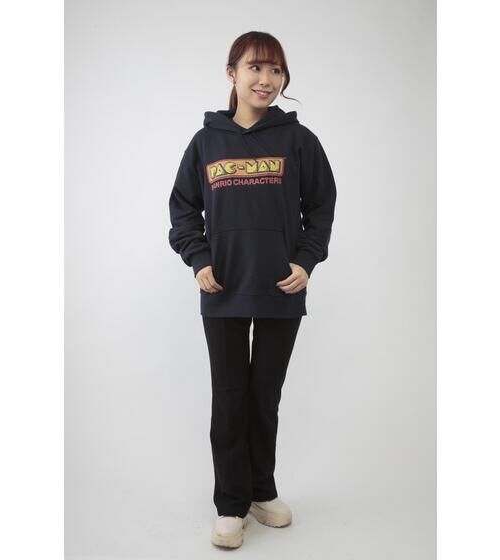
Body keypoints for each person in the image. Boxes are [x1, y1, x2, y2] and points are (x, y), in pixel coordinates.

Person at [168, 30, 337, 549]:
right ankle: (230, 504)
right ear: (232, 73)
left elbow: (322, 207)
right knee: (230, 397)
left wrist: (306, 260)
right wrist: (199, 260)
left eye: (276, 70)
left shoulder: (299, 140)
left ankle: (262, 491)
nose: (266, 79)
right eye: (255, 68)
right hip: (222, 289)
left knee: (265, 396)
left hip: (281, 289)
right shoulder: (206, 142)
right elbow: (183, 210)